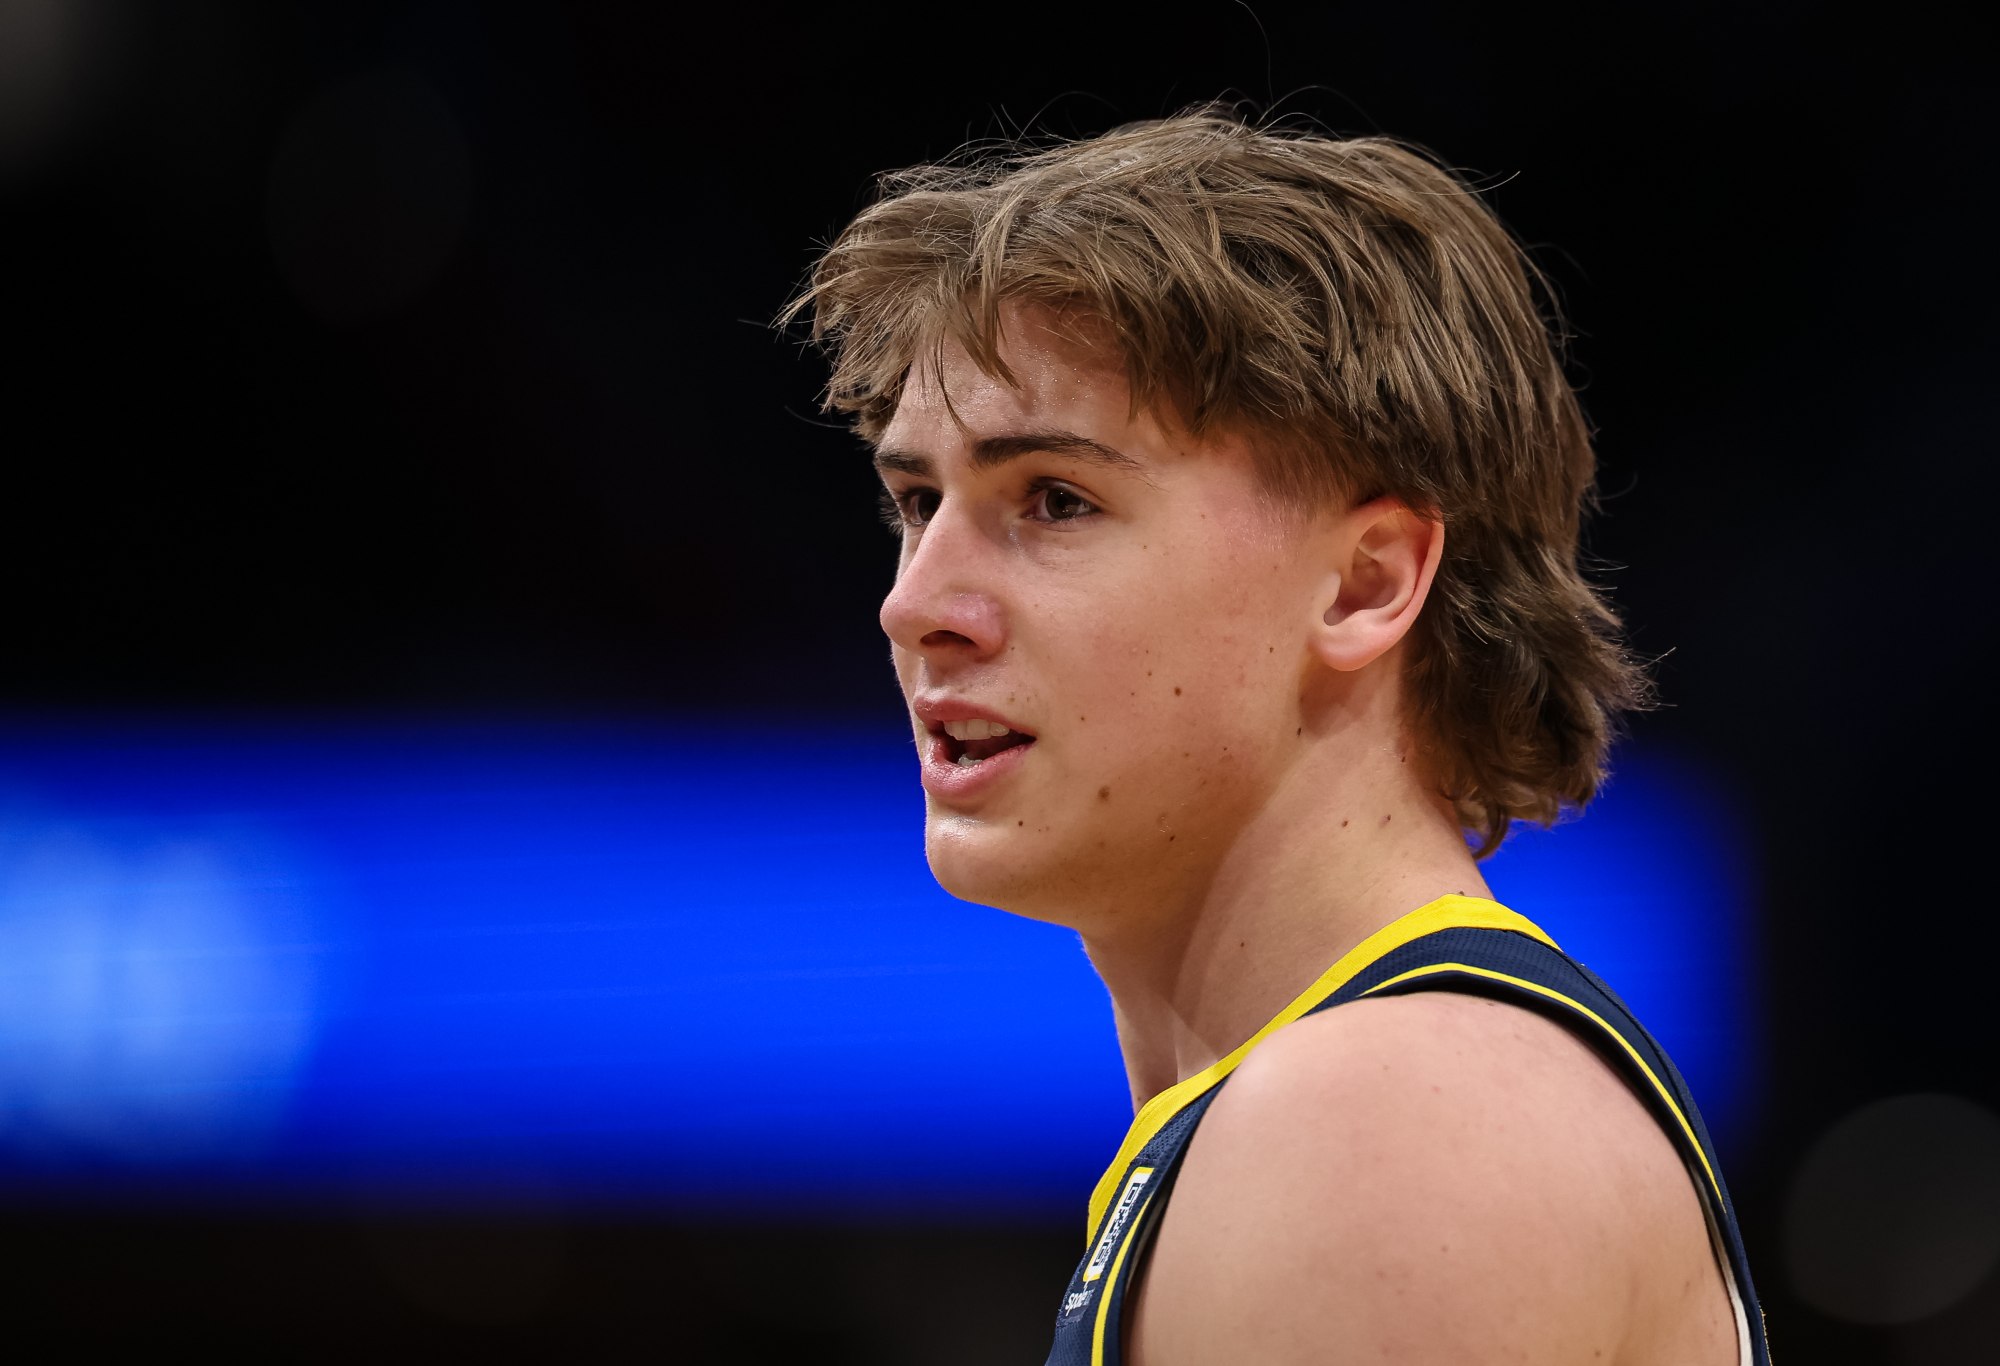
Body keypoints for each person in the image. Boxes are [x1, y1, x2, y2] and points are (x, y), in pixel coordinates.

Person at [785, 110, 1769, 1365]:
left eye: (1055, 499)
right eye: (919, 503)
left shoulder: (1391, 1119)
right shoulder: (1334, 1105)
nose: (915, 604)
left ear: (1363, 585)